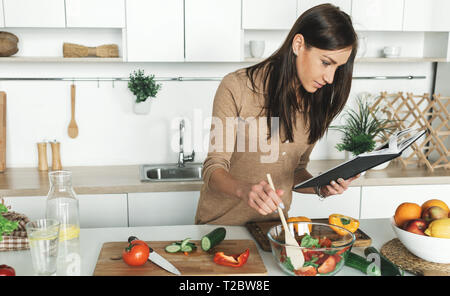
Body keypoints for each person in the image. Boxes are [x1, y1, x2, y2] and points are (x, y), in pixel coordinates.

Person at [195, 4, 360, 226]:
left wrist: (322, 187)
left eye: (337, 68)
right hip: (221, 228)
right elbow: (213, 168)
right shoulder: (237, 87)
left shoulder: (316, 103)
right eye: (325, 62)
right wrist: (245, 190)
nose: (330, 77)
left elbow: (296, 172)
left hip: (272, 231)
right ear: (299, 44)